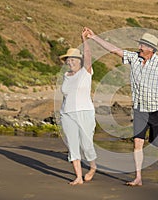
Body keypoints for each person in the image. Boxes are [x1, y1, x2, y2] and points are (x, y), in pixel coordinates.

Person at [85, 28, 158, 186]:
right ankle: (138, 177)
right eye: (140, 44)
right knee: (137, 143)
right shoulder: (134, 58)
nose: (139, 47)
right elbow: (114, 50)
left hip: (157, 110)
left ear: (151, 49)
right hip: (140, 108)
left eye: (142, 45)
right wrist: (94, 37)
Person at [59, 28, 97, 185]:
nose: (70, 61)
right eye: (68, 59)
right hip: (67, 114)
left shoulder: (85, 72)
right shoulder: (66, 76)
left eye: (74, 58)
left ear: (80, 60)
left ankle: (93, 167)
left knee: (87, 145)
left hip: (85, 112)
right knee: (73, 145)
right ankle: (78, 177)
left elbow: (88, 56)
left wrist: (84, 39)